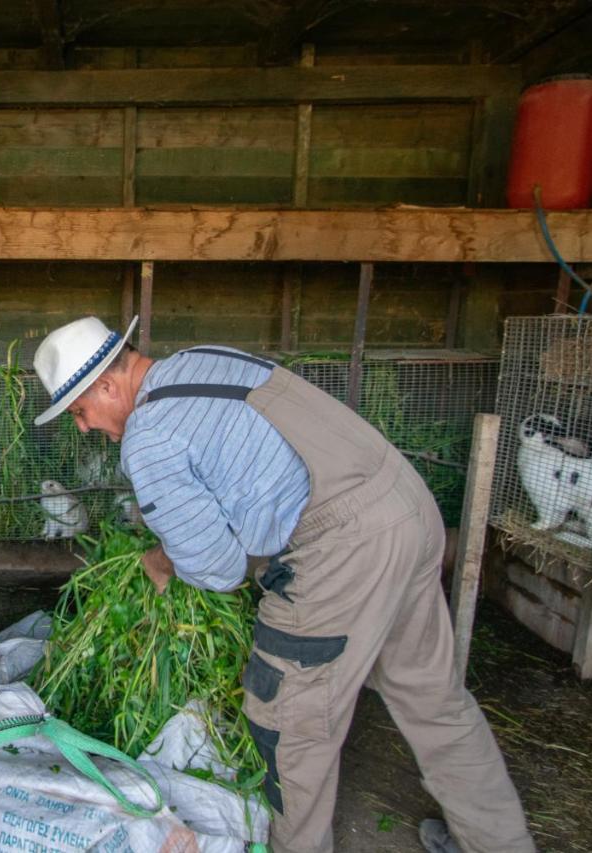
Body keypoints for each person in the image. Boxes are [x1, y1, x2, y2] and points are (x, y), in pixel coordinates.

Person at [31, 316, 534, 853]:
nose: (84, 427)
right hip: (405, 504)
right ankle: (500, 843)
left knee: (290, 726)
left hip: (342, 544)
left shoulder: (150, 438)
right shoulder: (203, 356)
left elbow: (218, 570)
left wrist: (165, 557)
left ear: (107, 386)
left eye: (80, 412)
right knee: (432, 696)